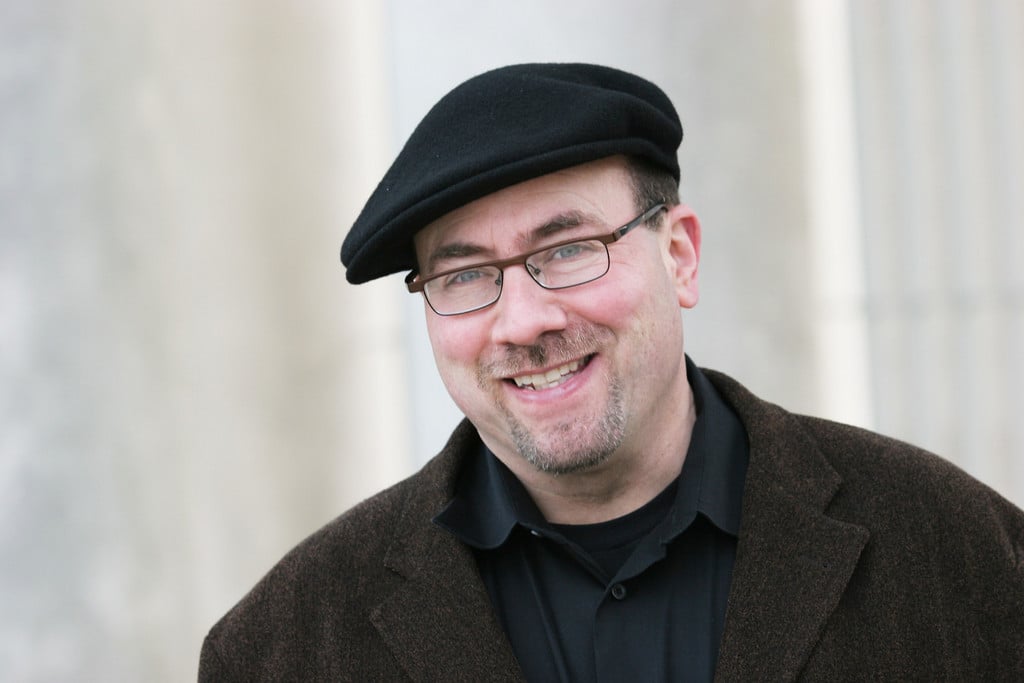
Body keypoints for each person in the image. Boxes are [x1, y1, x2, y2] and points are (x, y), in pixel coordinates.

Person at [199, 63, 1024, 681]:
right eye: (463, 276)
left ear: (681, 256)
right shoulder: (283, 646)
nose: (523, 321)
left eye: (568, 251)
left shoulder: (967, 556)